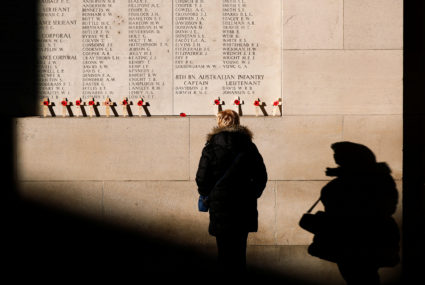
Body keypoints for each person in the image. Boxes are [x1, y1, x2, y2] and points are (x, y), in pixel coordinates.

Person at [308, 142, 400, 285]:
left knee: (361, 277)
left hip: (360, 238)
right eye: (335, 154)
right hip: (351, 238)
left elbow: (375, 207)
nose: (335, 157)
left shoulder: (369, 179)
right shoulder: (365, 177)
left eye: (339, 154)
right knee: (359, 277)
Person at [195, 109, 267, 278]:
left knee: (224, 253)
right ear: (237, 122)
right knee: (240, 254)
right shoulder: (249, 146)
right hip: (244, 205)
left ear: (219, 122)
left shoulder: (211, 147)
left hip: (220, 206)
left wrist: (209, 195)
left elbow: (201, 178)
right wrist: (251, 193)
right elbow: (261, 176)